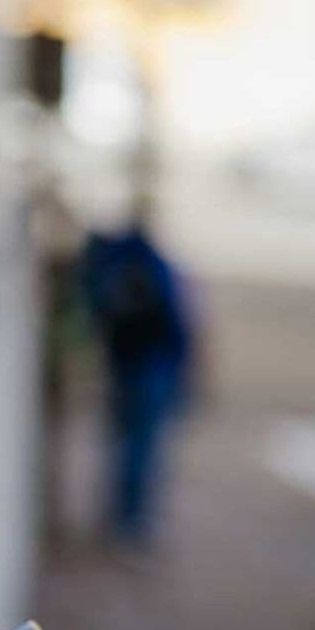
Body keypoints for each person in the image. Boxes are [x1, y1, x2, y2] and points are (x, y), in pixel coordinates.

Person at [79, 217, 195, 546]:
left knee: (126, 446)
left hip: (126, 368)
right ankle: (130, 522)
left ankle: (121, 517)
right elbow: (175, 324)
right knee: (140, 449)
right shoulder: (149, 264)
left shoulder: (110, 267)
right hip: (151, 369)